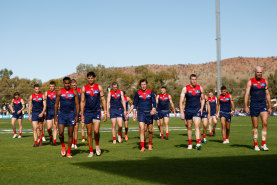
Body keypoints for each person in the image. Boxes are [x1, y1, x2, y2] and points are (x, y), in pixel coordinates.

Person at [244, 66, 272, 151]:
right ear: (255, 72)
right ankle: (255, 144)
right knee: (255, 125)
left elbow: (267, 94)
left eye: (260, 72)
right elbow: (246, 94)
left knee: (265, 123)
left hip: (263, 105)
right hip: (254, 105)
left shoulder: (265, 81)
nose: (259, 74)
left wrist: (270, 106)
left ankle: (263, 144)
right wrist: (245, 106)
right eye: (258, 72)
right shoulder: (250, 82)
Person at [81, 72, 107, 157]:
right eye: (89, 78)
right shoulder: (84, 88)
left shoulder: (99, 87)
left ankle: (97, 146)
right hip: (87, 112)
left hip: (97, 111)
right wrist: (81, 114)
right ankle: (91, 151)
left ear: (94, 78)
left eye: (92, 78)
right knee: (89, 132)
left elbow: (103, 100)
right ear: (87, 79)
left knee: (96, 131)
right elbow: (82, 101)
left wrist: (105, 112)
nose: (90, 79)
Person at [128, 79, 156, 152]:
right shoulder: (138, 93)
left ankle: (149, 144)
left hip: (149, 113)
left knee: (150, 130)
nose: (143, 86)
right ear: (140, 86)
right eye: (142, 84)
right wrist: (131, 113)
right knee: (142, 128)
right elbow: (134, 104)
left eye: (144, 84)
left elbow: (154, 102)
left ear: (146, 85)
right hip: (140, 113)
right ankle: (142, 146)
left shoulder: (151, 92)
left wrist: (153, 109)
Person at [54, 77, 79, 158]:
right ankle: (63, 146)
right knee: (60, 134)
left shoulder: (74, 92)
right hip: (61, 115)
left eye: (69, 83)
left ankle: (68, 152)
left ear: (70, 83)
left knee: (70, 134)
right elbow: (56, 104)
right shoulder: (59, 92)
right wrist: (55, 116)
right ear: (63, 83)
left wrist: (76, 115)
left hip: (71, 115)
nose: (67, 84)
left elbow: (77, 104)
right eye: (66, 83)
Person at [180, 74, 205, 150]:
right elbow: (181, 101)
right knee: (189, 127)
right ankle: (190, 143)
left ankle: (198, 143)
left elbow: (203, 99)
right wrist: (182, 112)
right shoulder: (185, 89)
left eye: (195, 79)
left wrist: (201, 107)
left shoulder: (200, 88)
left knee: (197, 126)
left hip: (197, 110)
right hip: (188, 110)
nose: (194, 81)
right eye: (193, 79)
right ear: (190, 80)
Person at [45, 81, 57, 145]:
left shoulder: (57, 93)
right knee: (49, 128)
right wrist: (44, 111)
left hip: (55, 112)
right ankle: (50, 137)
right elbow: (44, 102)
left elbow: (59, 102)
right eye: (50, 86)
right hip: (48, 112)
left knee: (55, 127)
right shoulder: (46, 93)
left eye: (52, 86)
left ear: (55, 87)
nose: (51, 88)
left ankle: (54, 141)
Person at [71, 79, 82, 149]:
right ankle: (72, 142)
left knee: (76, 128)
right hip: (71, 112)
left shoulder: (80, 91)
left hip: (78, 111)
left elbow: (82, 101)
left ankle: (75, 143)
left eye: (75, 85)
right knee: (71, 128)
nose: (74, 86)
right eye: (72, 85)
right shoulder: (69, 92)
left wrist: (81, 110)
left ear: (76, 84)